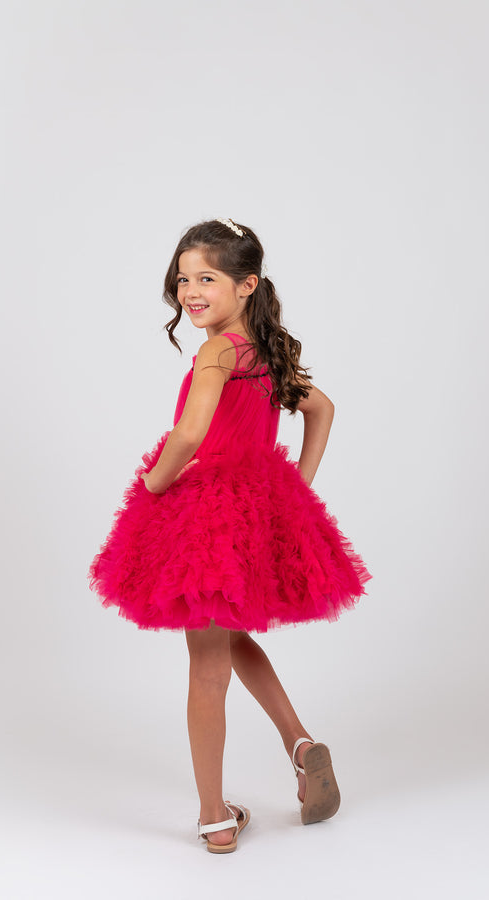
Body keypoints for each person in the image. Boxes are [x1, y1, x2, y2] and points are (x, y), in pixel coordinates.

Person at [89, 218, 370, 853]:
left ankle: (215, 818)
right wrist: (296, 486)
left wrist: (155, 484)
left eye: (207, 278)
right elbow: (321, 408)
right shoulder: (264, 351)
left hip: (208, 515)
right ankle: (299, 743)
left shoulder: (217, 353)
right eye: (183, 278)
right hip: (255, 510)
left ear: (247, 285)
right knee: (230, 633)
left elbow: (189, 434)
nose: (191, 291)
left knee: (207, 666)